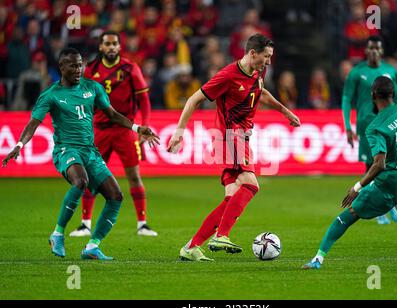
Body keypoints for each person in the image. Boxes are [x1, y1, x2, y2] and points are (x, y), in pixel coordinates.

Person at [1, 48, 159, 260]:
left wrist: (137, 128)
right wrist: (19, 145)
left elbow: (112, 114)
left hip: (90, 152)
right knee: (81, 182)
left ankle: (92, 246)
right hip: (66, 150)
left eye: (80, 65)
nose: (78, 70)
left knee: (116, 197)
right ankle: (57, 233)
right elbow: (33, 123)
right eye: (73, 66)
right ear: (61, 67)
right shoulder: (51, 95)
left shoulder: (93, 87)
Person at [167, 33, 300, 261]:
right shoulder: (228, 76)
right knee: (251, 185)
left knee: (231, 198)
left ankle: (191, 247)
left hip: (240, 138)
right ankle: (222, 235)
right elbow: (193, 100)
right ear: (252, 53)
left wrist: (285, 111)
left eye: (270, 57)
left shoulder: (258, 71)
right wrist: (178, 133)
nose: (268, 61)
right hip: (229, 137)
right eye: (266, 56)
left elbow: (261, 92)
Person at [302, 76, 397, 269]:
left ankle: (318, 259)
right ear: (393, 93)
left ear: (372, 96)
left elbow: (379, 164)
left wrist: (357, 187)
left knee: (348, 216)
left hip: (388, 184)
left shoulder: (376, 127)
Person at [69, 31, 157, 237]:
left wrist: (145, 126)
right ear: (101, 47)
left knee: (134, 176)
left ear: (119, 47)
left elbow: (144, 101)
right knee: (90, 177)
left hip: (125, 130)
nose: (111, 47)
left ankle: (142, 224)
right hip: (99, 131)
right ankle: (85, 224)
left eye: (114, 44)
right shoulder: (90, 70)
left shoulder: (130, 68)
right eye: (107, 44)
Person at [342, 35, 397, 225]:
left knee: (389, 164)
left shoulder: (390, 71)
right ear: (366, 51)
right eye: (371, 48)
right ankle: (380, 210)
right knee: (373, 166)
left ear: (382, 51)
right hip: (367, 125)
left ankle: (389, 205)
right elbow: (346, 99)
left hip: (389, 124)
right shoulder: (356, 72)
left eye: (378, 48)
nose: (374, 52)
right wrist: (347, 126)